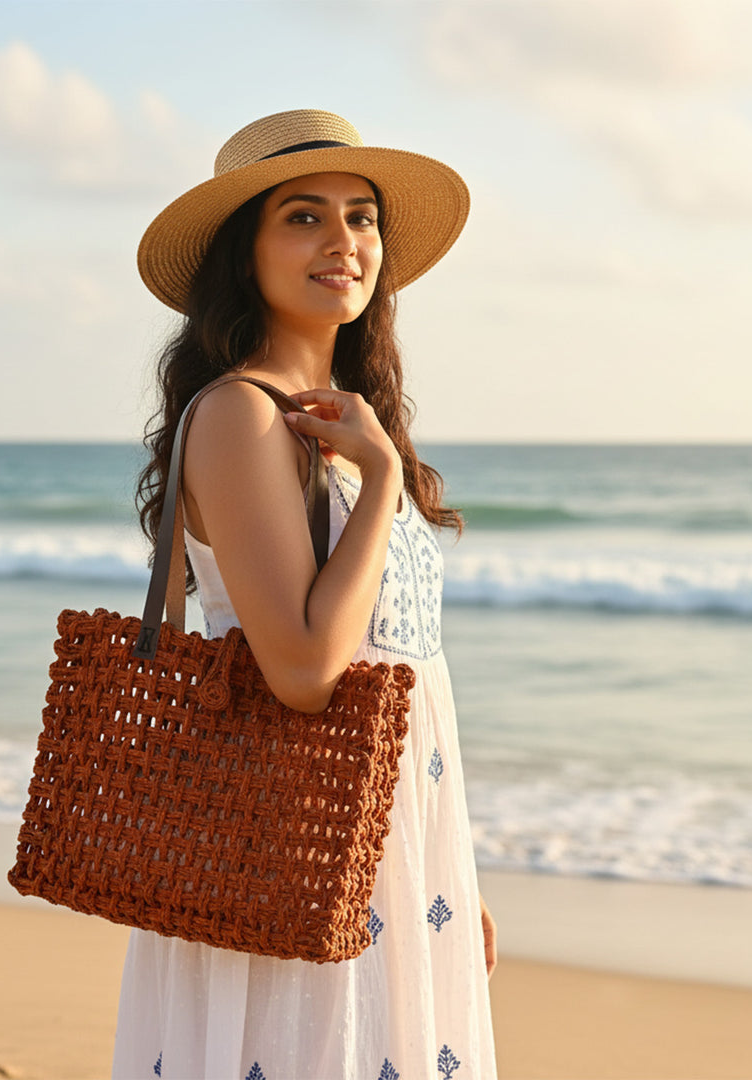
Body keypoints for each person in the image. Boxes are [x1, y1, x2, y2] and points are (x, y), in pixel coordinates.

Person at [115, 109, 497, 1080]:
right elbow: (303, 668)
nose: (344, 241)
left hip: (395, 844)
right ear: (245, 257)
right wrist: (376, 482)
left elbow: (405, 672)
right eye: (302, 216)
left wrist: (454, 868)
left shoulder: (350, 425)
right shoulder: (242, 415)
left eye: (362, 216)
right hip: (291, 842)